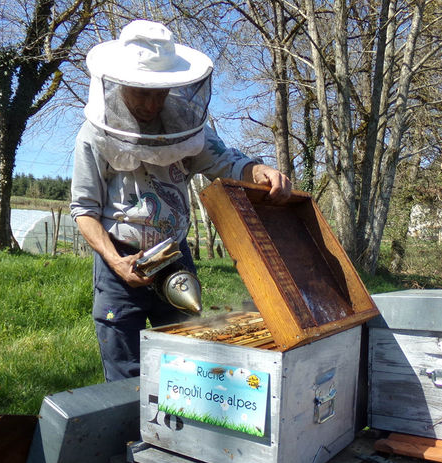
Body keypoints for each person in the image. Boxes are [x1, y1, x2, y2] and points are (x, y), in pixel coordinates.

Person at [70, 19, 292, 382]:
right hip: (121, 258)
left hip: (174, 255)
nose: (151, 103)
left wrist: (259, 170)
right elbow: (84, 210)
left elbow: (225, 162)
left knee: (184, 361)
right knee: (125, 369)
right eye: (142, 92)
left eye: (159, 93)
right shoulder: (93, 135)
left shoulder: (185, 124)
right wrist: (115, 261)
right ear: (121, 83)